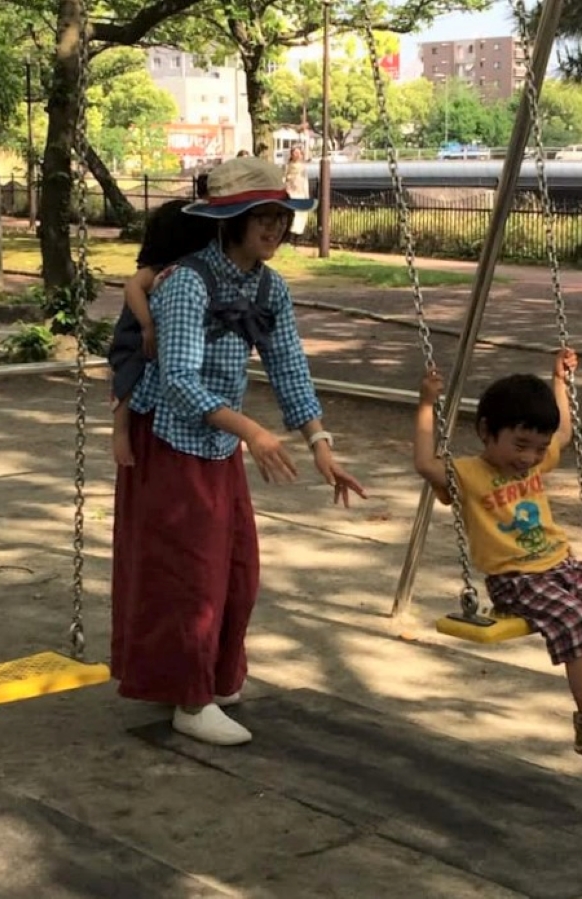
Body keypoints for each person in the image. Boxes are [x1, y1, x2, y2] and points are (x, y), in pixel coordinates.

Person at [111, 156, 367, 746]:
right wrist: (252, 430)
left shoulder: (268, 285)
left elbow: (288, 366)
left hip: (218, 439)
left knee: (238, 567)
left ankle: (219, 678)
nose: (275, 229)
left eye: (281, 217)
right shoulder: (185, 284)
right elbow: (177, 378)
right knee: (188, 574)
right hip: (172, 439)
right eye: (262, 218)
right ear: (231, 221)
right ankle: (188, 697)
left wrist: (320, 443)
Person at [413, 349, 582, 762]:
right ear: (486, 431)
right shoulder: (467, 473)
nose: (530, 458)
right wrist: (427, 403)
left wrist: (560, 380)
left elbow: (565, 432)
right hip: (516, 579)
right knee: (579, 621)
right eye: (520, 445)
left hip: (563, 565)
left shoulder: (535, 462)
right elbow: (424, 463)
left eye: (538, 449)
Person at [108, 199, 217, 466]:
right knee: (127, 378)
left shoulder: (188, 271)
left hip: (152, 332)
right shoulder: (156, 269)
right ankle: (120, 434)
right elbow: (132, 288)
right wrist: (147, 326)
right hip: (134, 332)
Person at [282, 147, 310, 242]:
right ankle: (289, 237)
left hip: (301, 193)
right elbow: (283, 178)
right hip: (291, 193)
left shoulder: (303, 167)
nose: (297, 155)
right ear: (291, 154)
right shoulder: (287, 166)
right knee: (293, 214)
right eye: (295, 153)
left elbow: (305, 181)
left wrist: (307, 195)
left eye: (299, 153)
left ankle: (297, 237)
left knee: (301, 215)